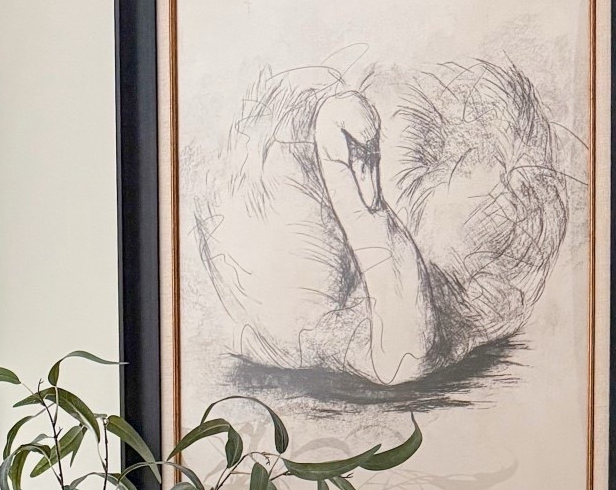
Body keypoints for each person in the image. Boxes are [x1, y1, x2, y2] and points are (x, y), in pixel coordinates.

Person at [191, 57, 571, 391]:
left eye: (369, 154)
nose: (367, 170)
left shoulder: (492, 292)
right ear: (331, 140)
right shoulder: (278, 317)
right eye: (358, 154)